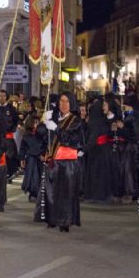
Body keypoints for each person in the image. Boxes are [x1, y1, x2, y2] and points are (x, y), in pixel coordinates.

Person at [37, 93, 85, 232]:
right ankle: (51, 219)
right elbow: (44, 137)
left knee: (65, 193)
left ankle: (65, 221)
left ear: (72, 104)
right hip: (52, 160)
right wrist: (44, 122)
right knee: (51, 192)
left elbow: (71, 140)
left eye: (67, 101)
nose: (63, 104)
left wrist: (56, 128)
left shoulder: (75, 121)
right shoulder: (55, 118)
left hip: (67, 162)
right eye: (61, 101)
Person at [0, 90, 19, 183]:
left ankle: (9, 174)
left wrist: (12, 128)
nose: (2, 98)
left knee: (9, 156)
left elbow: (16, 119)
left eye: (4, 96)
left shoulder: (11, 108)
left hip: (8, 136)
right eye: (0, 96)